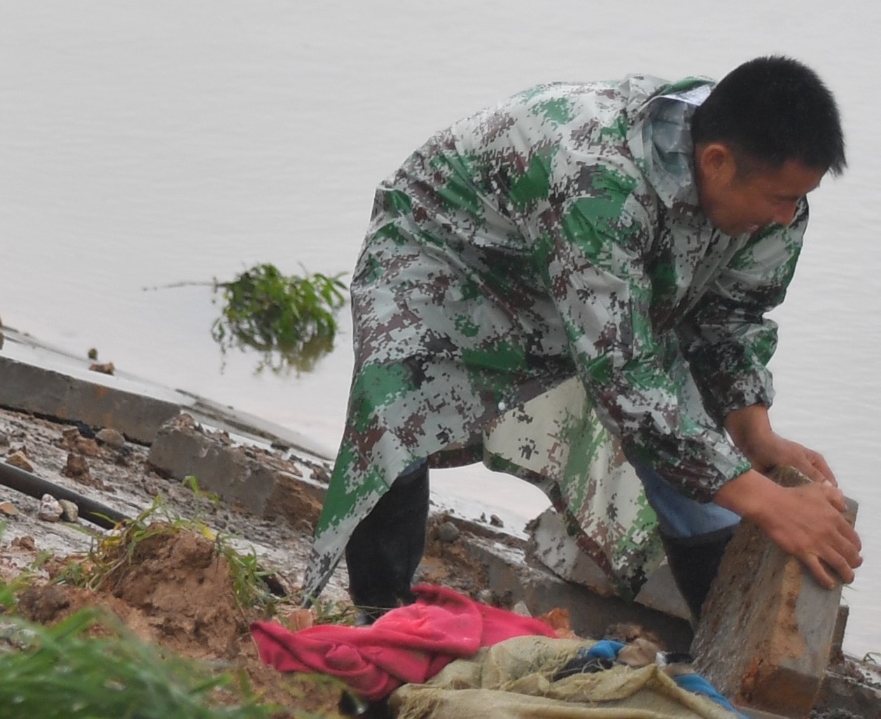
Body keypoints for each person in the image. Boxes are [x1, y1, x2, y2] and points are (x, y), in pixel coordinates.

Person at [310, 60, 857, 617]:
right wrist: (772, 504)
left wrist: (755, 434)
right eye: (779, 198)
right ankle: (380, 613)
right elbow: (626, 381)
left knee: (694, 434)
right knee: (398, 406)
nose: (788, 215)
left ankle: (721, 642)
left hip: (597, 271)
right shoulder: (597, 176)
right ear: (716, 162)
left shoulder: (773, 201)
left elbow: (731, 317)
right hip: (448, 259)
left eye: (799, 198)